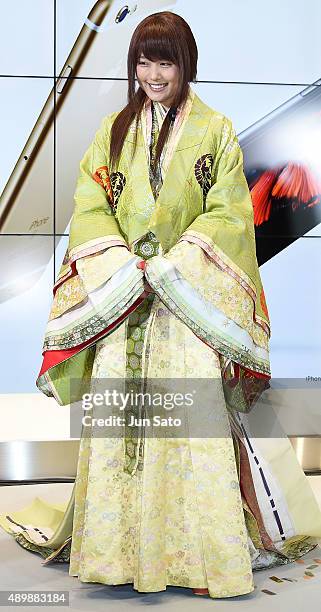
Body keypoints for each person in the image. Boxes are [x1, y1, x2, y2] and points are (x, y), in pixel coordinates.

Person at [1, 11, 321, 600]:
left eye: (164, 61)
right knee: (125, 427)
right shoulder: (111, 132)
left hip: (183, 302)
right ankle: (114, 553)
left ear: (186, 65)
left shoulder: (215, 131)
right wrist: (124, 267)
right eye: (143, 61)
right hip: (126, 301)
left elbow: (228, 214)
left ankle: (200, 559)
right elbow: (90, 204)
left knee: (190, 432)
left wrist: (171, 268)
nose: (152, 74)